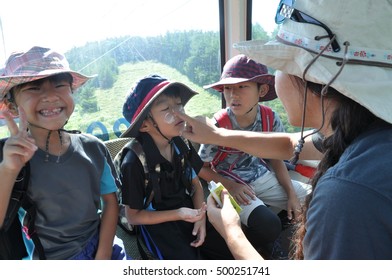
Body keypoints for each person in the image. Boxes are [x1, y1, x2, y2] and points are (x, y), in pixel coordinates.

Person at [180, 0, 392, 260]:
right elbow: (291, 146)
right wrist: (217, 136)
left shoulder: (345, 196)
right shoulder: (368, 130)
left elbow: (284, 153)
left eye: (281, 66)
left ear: (311, 78)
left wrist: (231, 231)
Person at [0, 46, 126, 260]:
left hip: (104, 247)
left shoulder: (94, 148)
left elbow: (110, 202)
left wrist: (103, 256)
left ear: (72, 92)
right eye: (33, 88)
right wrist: (9, 170)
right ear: (12, 107)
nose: (50, 95)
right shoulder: (6, 156)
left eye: (60, 85)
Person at [118, 74, 233, 260]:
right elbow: (133, 217)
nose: (179, 113)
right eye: (166, 109)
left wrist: (200, 217)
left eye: (179, 104)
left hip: (189, 210)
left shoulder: (180, 142)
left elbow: (195, 184)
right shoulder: (134, 162)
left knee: (229, 248)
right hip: (157, 221)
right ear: (145, 125)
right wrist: (178, 214)